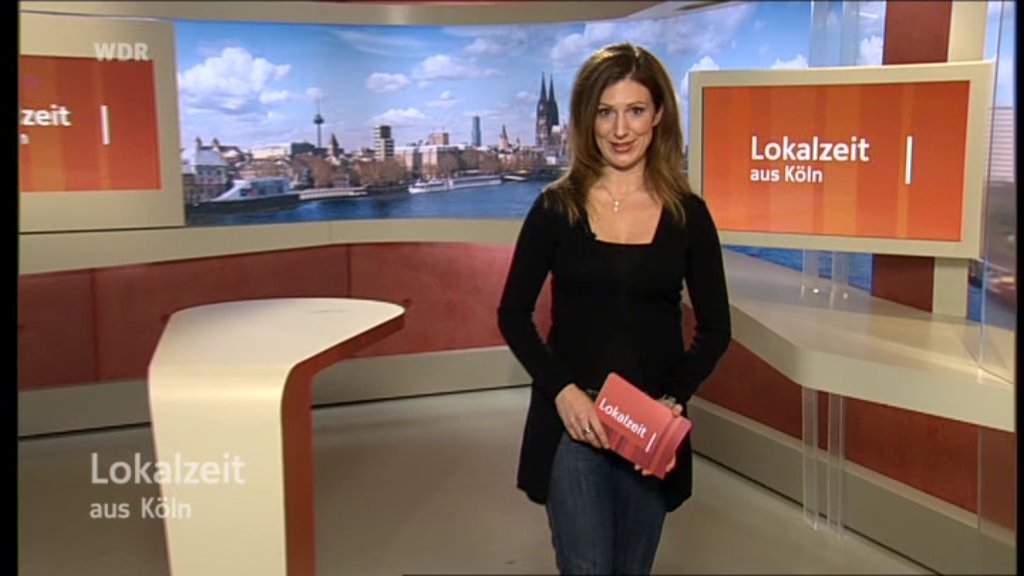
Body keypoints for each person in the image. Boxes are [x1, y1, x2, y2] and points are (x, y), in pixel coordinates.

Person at [497, 43, 732, 575]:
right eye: (606, 112)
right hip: (574, 419)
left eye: (635, 110)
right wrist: (564, 393)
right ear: (588, 119)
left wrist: (673, 400)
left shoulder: (688, 215)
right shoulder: (555, 208)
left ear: (659, 116)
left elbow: (716, 329)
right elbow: (513, 314)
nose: (620, 129)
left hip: (648, 425)